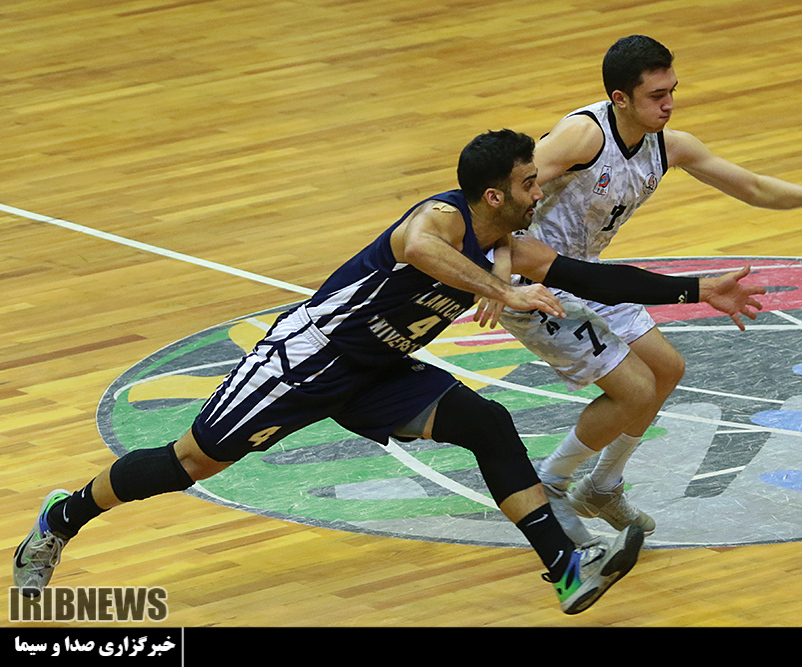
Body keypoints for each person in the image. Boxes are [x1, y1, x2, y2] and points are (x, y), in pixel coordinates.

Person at [13, 129, 763, 615]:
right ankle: (61, 517)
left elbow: (600, 280)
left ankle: (564, 565)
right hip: (311, 359)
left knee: (488, 422)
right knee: (191, 462)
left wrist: (699, 290)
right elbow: (416, 250)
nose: (547, 189)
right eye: (532, 182)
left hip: (383, 368)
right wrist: (498, 291)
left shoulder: (516, 245)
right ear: (495, 193)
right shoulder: (441, 219)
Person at [497, 35, 802, 542]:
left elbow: (751, 186)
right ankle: (551, 483)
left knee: (666, 369)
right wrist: (494, 270)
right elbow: (504, 192)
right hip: (534, 282)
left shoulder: (670, 146)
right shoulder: (582, 137)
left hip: (585, 273)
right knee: (633, 390)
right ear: (620, 99)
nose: (669, 104)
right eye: (657, 95)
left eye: (672, 91)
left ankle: (602, 486)